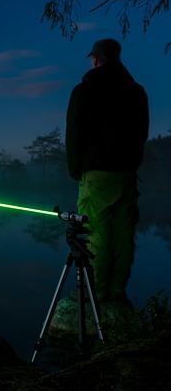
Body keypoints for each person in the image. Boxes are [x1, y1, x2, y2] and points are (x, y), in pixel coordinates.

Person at [65, 38, 149, 303]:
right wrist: (132, 162)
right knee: (124, 232)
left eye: (92, 58)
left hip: (97, 174)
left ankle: (97, 292)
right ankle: (117, 289)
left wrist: (75, 168)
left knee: (96, 232)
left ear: (98, 59)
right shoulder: (137, 91)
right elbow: (142, 133)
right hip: (126, 174)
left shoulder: (84, 90)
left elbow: (74, 133)